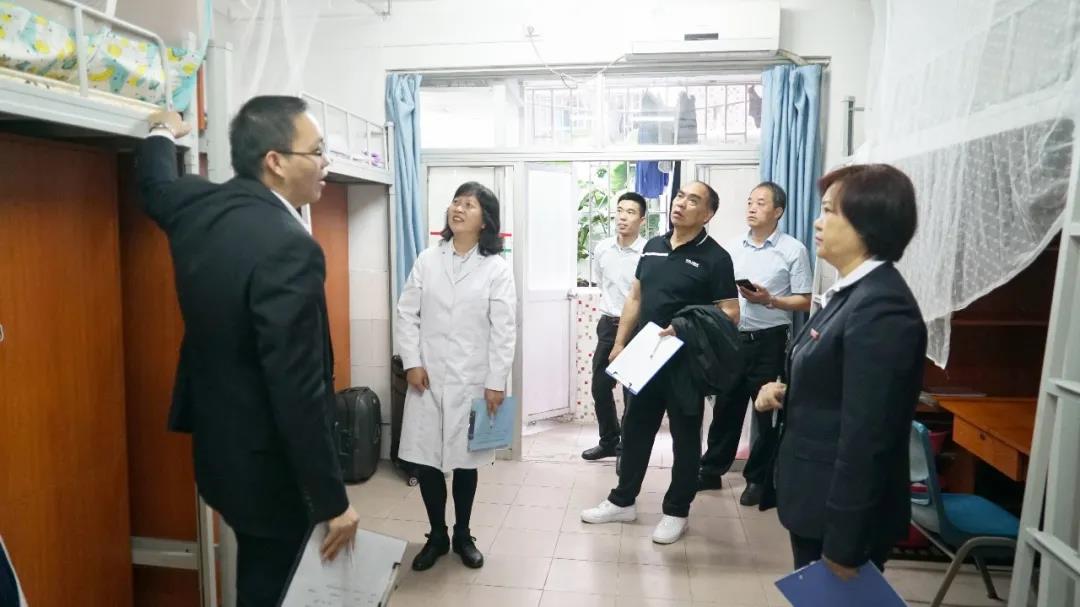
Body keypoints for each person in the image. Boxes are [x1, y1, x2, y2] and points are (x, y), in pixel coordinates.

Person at [137, 99, 359, 606]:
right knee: (273, 583)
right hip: (270, 470)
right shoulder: (290, 247)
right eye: (317, 152)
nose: (326, 163)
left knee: (258, 569)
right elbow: (297, 387)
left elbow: (155, 187)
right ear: (275, 161)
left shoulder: (197, 205)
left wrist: (160, 133)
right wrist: (332, 501)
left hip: (221, 456)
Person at [754, 164, 927, 577]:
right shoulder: (850, 294)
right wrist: (785, 392)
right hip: (815, 498)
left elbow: (869, 436)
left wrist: (845, 544)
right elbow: (839, 387)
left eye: (830, 211)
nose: (818, 222)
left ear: (868, 223)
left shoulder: (882, 307)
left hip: (840, 516)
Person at [581, 181, 740, 545]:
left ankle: (676, 511)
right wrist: (619, 343)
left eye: (693, 200)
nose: (681, 203)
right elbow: (635, 297)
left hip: (686, 362)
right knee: (635, 429)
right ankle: (623, 501)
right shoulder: (653, 246)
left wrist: (685, 325)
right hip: (645, 355)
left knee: (685, 438)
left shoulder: (715, 257)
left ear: (708, 214)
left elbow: (730, 312)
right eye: (680, 196)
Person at [396, 182, 516, 572]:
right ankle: (437, 535)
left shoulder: (496, 269)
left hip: (472, 380)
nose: (458, 209)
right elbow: (406, 313)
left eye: (469, 205)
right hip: (427, 379)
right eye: (456, 202)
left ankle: (463, 534)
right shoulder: (428, 260)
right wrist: (412, 362)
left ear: (485, 221)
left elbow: (504, 329)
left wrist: (495, 381)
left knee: (466, 461)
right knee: (427, 460)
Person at [698, 182, 812, 505]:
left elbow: (806, 300)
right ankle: (711, 471)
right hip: (733, 341)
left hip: (770, 343)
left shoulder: (793, 250)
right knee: (726, 408)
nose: (751, 207)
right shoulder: (732, 248)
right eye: (750, 202)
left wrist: (770, 300)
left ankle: (758, 480)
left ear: (778, 211)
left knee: (767, 416)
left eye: (760, 203)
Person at [581, 192, 647, 462]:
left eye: (630, 212)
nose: (622, 217)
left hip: (636, 328)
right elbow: (601, 281)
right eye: (620, 210)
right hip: (608, 325)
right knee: (600, 386)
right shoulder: (603, 249)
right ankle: (609, 440)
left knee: (631, 391)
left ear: (642, 220)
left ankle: (626, 450)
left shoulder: (647, 252)